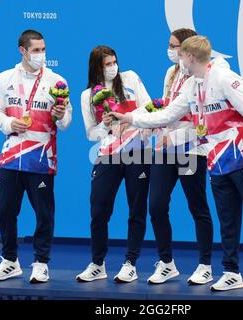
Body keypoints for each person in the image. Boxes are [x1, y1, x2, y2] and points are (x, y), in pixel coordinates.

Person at [110, 35, 243, 292]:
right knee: (227, 219)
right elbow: (169, 114)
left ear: (190, 57)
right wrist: (129, 118)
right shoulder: (192, 86)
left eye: (180, 54)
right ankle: (231, 272)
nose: (178, 59)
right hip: (217, 162)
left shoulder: (226, 79)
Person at [0, 30, 72, 283]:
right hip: (11, 156)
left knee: (44, 214)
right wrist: (11, 123)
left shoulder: (57, 81)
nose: (41, 55)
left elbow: (66, 121)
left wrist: (59, 114)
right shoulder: (5, 78)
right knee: (5, 210)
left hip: (41, 157)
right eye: (36, 50)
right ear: (22, 51)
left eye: (43, 49)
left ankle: (41, 263)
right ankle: (10, 261)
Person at [77, 46, 152, 283]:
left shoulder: (131, 78)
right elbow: (91, 133)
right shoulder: (88, 95)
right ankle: (98, 264)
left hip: (138, 152)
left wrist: (130, 120)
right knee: (99, 209)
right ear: (96, 68)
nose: (112, 67)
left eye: (114, 62)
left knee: (136, 209)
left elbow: (150, 108)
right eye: (107, 64)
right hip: (108, 154)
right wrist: (106, 125)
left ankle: (131, 263)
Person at [146, 28, 214, 285]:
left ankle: (205, 265)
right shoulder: (170, 73)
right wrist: (153, 125)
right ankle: (166, 263)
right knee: (157, 205)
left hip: (191, 150)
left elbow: (199, 120)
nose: (170, 50)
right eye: (170, 45)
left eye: (175, 46)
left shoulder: (199, 77)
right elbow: (167, 109)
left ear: (187, 51)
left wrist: (173, 137)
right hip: (165, 151)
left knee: (197, 207)